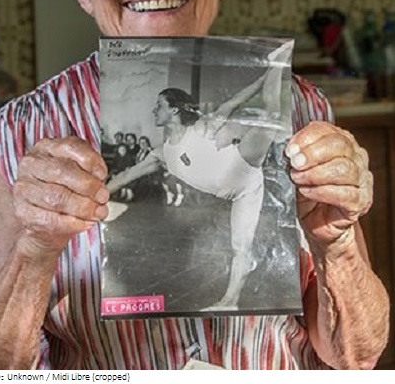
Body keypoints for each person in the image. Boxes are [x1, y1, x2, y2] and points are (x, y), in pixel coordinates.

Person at [0, 0, 389, 370]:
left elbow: (356, 356)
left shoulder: (299, 107)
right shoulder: (26, 131)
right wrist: (33, 249)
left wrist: (336, 245)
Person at [107, 45, 286, 309]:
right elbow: (128, 174)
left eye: (159, 106)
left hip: (243, 163)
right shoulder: (162, 154)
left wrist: (263, 79)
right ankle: (230, 302)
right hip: (241, 193)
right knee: (240, 247)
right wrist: (98, 193)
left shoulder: (201, 126)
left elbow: (233, 102)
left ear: (175, 110)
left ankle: (279, 62)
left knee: (271, 117)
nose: (154, 111)